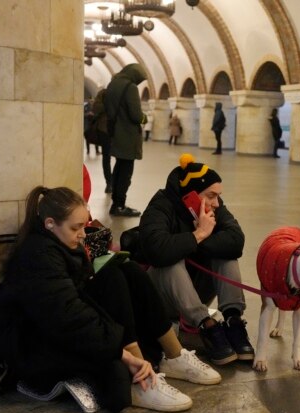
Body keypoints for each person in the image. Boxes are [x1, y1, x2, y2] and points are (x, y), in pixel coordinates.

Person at [0, 186, 222, 413]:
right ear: (50, 224)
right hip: (34, 350)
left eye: (84, 225)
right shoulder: (37, 256)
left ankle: (173, 355)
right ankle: (139, 379)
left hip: (59, 329)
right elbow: (69, 318)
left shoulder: (59, 243)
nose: (84, 233)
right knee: (111, 284)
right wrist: (121, 354)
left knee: (128, 271)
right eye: (76, 227)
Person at [137, 154, 254, 366]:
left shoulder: (213, 207)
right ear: (190, 195)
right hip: (162, 294)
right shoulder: (160, 206)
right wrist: (198, 234)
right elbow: (157, 250)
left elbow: (236, 241)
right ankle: (207, 325)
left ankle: (233, 319)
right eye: (211, 196)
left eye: (218, 196)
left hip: (195, 288)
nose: (216, 203)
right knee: (170, 260)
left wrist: (199, 241)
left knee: (225, 253)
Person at [105, 63, 147, 217]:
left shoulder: (113, 84)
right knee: (125, 173)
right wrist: (145, 118)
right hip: (127, 136)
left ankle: (116, 203)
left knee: (119, 169)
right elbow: (136, 115)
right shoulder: (130, 87)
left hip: (116, 133)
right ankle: (119, 205)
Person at [92, 88, 113, 194]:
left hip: (119, 131)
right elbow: (95, 108)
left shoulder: (121, 91)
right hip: (105, 130)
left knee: (121, 159)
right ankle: (109, 182)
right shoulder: (104, 92)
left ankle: (114, 182)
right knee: (107, 157)